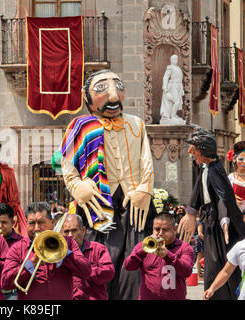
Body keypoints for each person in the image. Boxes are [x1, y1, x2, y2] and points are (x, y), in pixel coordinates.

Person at [58, 69, 156, 300]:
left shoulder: (136, 124)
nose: (113, 96)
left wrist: (145, 189)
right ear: (87, 96)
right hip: (96, 205)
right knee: (97, 268)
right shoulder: (79, 126)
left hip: (134, 207)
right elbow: (68, 165)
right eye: (101, 88)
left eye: (118, 87)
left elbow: (147, 161)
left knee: (133, 271)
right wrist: (76, 186)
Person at [178, 127, 245, 300]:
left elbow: (223, 199)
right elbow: (198, 192)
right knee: (212, 265)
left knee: (219, 264)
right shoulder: (206, 168)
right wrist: (192, 213)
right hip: (210, 222)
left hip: (220, 225)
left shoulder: (215, 170)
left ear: (204, 149)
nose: (190, 151)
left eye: (194, 148)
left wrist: (224, 222)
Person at [1, 202, 92, 300]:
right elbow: (5, 283)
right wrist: (31, 263)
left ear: (52, 223)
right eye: (31, 223)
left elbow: (86, 271)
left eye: (41, 222)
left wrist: (63, 252)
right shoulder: (17, 248)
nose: (36, 228)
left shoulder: (68, 243)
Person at [124, 212, 194, 300]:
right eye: (157, 229)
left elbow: (187, 271)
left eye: (165, 230)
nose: (160, 233)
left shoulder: (184, 247)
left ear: (175, 229)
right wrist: (142, 251)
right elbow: (128, 266)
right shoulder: (143, 245)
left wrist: (167, 255)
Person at [61, 214, 115, 300]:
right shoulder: (57, 254)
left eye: (74, 230)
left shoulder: (98, 248)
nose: (70, 235)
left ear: (83, 231)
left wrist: (84, 270)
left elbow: (109, 272)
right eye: (66, 232)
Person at [0, 203, 24, 300]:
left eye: (4, 222)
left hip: (12, 294)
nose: (0, 226)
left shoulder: (22, 243)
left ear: (13, 223)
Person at [160, 54, 185, 124]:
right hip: (173, 86)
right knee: (176, 101)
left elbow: (180, 79)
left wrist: (182, 89)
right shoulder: (170, 68)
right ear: (171, 60)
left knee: (178, 101)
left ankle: (174, 114)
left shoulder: (178, 68)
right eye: (173, 59)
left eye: (176, 59)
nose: (175, 60)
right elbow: (165, 77)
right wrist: (165, 88)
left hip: (178, 86)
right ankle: (172, 116)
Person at [226, 140, 245, 220]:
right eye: (241, 159)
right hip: (235, 217)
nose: (244, 162)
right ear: (234, 159)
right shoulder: (231, 178)